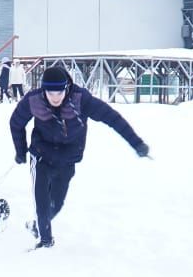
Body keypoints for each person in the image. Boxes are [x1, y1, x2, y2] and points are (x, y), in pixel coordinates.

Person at [10, 66, 149, 249]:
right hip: (41, 155)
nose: (55, 97)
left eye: (59, 92)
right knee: (42, 202)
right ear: (44, 90)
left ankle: (38, 225)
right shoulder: (34, 100)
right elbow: (16, 123)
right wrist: (21, 151)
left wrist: (136, 143)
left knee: (56, 204)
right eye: (50, 93)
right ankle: (45, 242)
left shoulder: (81, 100)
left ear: (66, 87)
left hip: (67, 159)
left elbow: (112, 118)